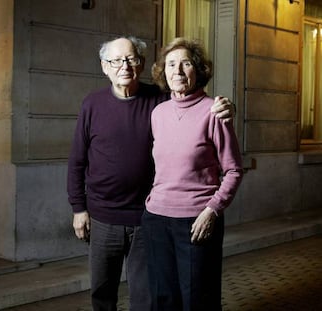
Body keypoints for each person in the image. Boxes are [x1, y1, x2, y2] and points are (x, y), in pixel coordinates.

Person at [67, 36, 235, 311]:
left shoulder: (158, 102)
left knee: (147, 298)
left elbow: (191, 100)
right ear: (104, 67)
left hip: (145, 219)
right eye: (116, 60)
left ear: (142, 64)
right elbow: (76, 160)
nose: (124, 66)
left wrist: (227, 107)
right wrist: (78, 207)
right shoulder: (92, 104)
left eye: (131, 59)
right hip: (103, 216)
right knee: (102, 292)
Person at [141, 37, 244, 311]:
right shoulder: (158, 113)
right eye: (171, 64)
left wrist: (212, 210)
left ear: (197, 70)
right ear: (163, 72)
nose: (177, 70)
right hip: (156, 219)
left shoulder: (214, 112)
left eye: (185, 63)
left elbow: (234, 169)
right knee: (163, 299)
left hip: (197, 220)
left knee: (199, 300)